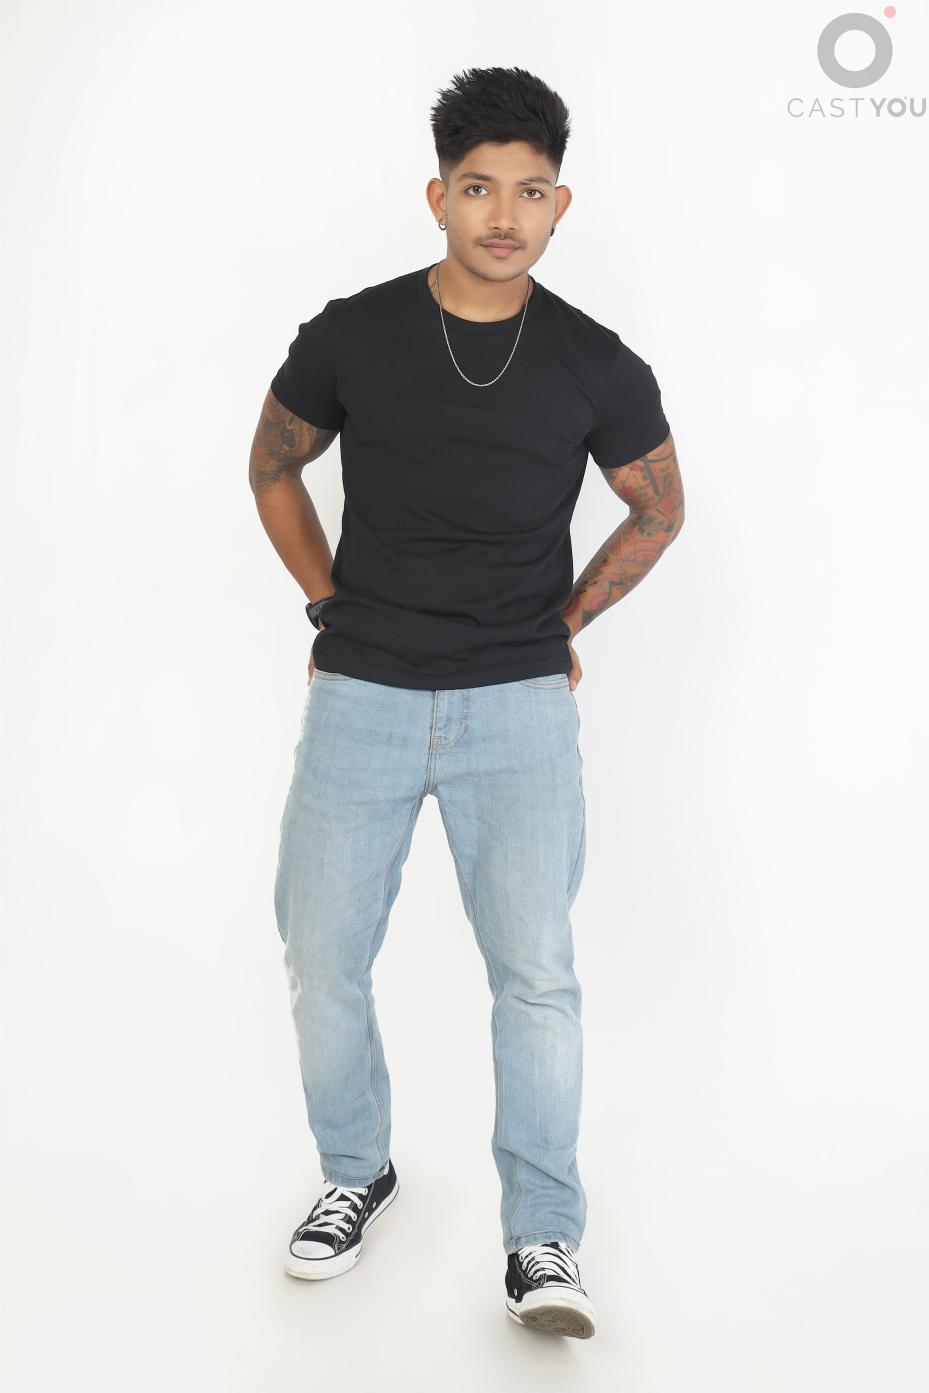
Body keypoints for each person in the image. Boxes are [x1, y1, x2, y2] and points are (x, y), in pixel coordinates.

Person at [249, 64, 685, 1341]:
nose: (504, 215)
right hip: (364, 694)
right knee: (321, 955)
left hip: (516, 709)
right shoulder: (353, 335)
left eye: (529, 191)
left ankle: (541, 1235)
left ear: (560, 204)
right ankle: (355, 1170)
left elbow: (657, 508)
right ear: (437, 195)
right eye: (479, 188)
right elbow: (270, 464)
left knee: (534, 974)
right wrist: (327, 606)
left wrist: (565, 623)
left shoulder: (594, 361)